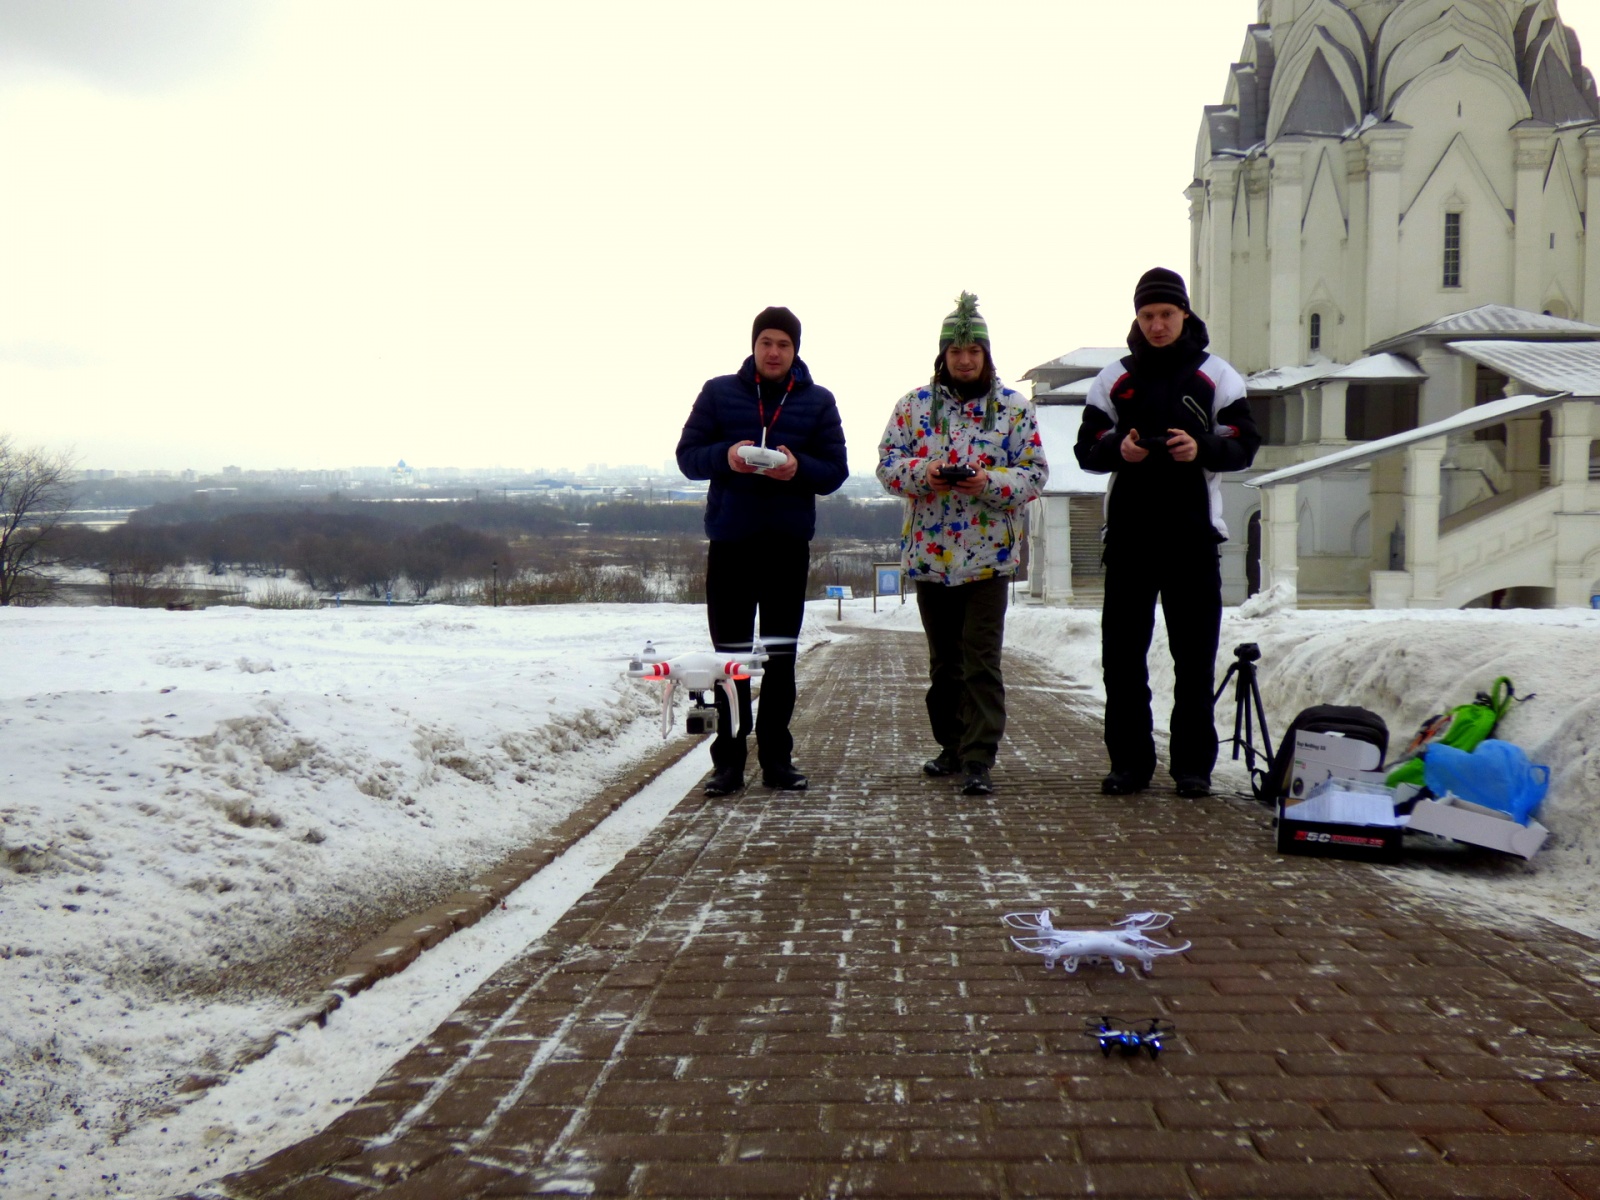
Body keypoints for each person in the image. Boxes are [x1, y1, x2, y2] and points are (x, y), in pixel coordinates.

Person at [1074, 268, 1261, 798]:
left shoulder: (1216, 375)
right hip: (1130, 537)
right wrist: (1120, 450)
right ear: (1137, 318)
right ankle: (1130, 764)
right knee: (1123, 658)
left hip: (1192, 537)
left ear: (1184, 315)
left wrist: (1200, 446)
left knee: (1194, 657)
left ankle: (1192, 767)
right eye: (1147, 315)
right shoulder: (1114, 378)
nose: (1157, 325)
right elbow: (1088, 448)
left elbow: (1244, 442)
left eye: (1166, 315)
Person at [877, 292, 1048, 796]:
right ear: (943, 355)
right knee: (944, 664)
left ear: (986, 354)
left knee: (981, 661)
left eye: (974, 350)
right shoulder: (913, 407)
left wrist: (988, 483)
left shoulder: (1013, 410)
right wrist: (923, 472)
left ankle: (979, 758)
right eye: (956, 351)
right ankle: (951, 747)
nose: (965, 359)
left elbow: (1035, 473)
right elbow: (887, 466)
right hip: (931, 558)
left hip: (989, 559)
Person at [676, 306, 848, 797]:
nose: (774, 352)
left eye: (784, 345)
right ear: (754, 345)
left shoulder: (818, 401)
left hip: (786, 547)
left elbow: (835, 469)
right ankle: (727, 763)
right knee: (729, 662)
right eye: (767, 342)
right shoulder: (718, 393)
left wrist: (798, 469)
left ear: (796, 351)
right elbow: (688, 457)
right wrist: (726, 457)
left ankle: (777, 759)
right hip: (731, 543)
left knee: (780, 657)